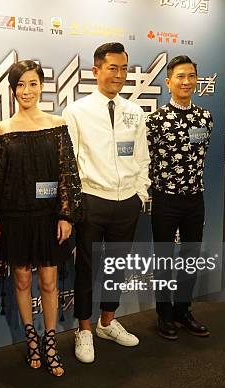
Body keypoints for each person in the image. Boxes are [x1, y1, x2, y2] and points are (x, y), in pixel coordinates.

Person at [0, 60, 81, 377]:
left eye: (32, 83)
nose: (27, 90)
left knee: (50, 281)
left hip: (48, 215)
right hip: (15, 216)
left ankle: (50, 341)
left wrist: (66, 214)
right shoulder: (3, 129)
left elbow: (67, 171)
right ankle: (31, 339)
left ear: (42, 86)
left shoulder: (57, 124)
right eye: (20, 85)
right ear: (12, 90)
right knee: (23, 279)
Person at [62, 42, 150, 363]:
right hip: (91, 200)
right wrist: (74, 204)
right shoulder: (76, 111)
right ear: (96, 71)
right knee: (86, 267)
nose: (119, 75)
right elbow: (69, 163)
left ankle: (107, 322)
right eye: (112, 68)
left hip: (126, 202)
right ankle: (84, 329)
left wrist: (139, 194)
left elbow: (142, 157)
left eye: (124, 68)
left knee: (116, 266)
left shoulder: (134, 111)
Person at [145, 55, 213, 341]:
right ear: (168, 81)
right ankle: (164, 312)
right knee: (163, 258)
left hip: (195, 200)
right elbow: (146, 160)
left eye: (191, 76)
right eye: (180, 77)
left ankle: (183, 310)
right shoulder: (156, 120)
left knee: (190, 258)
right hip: (165, 200)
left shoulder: (205, 117)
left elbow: (201, 156)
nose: (187, 82)